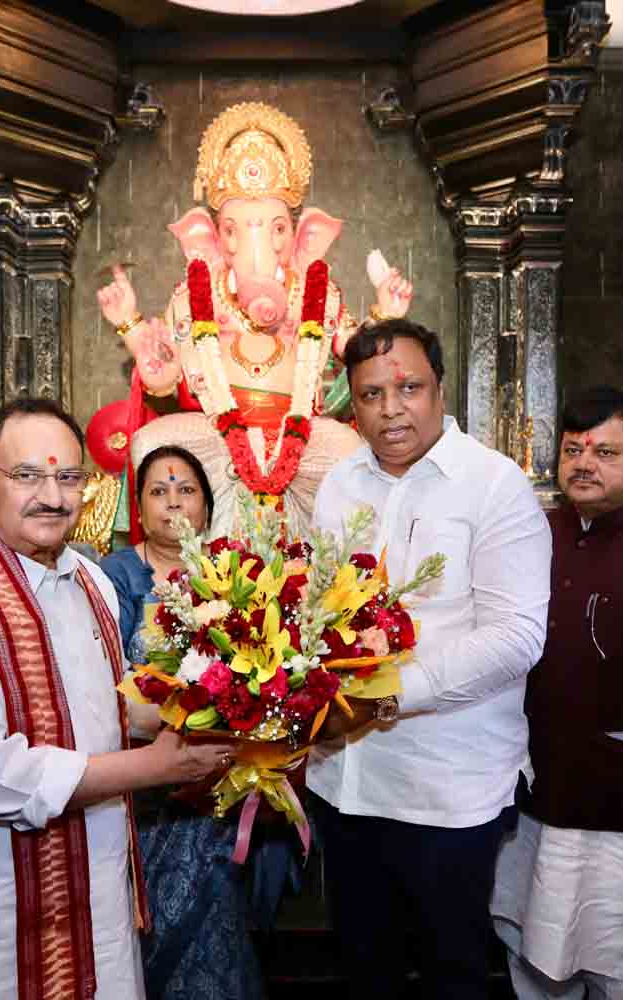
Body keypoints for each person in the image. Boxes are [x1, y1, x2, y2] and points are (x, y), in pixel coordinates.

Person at [0, 398, 235, 1000]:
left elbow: (107, 705)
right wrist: (158, 766)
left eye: (69, 478)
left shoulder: (89, 580)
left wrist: (215, 714)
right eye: (27, 476)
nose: (54, 496)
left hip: (94, 904)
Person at [307, 318, 552, 1000]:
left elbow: (515, 638)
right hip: (345, 782)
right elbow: (324, 612)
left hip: (450, 791)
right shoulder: (338, 485)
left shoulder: (494, 486)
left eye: (408, 387)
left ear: (441, 389)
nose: (391, 409)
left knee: (455, 973)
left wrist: (385, 698)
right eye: (371, 394)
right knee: (364, 968)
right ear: (349, 405)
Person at [100, 444, 271, 1000]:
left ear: (207, 503)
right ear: (139, 507)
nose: (173, 502)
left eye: (186, 489)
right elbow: (103, 679)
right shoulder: (115, 576)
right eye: (157, 490)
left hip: (222, 784)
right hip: (139, 788)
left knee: (216, 926)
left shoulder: (237, 574)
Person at [492, 386, 623, 1000]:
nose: (584, 464)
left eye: (606, 452)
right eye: (574, 449)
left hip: (613, 797)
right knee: (537, 945)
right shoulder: (531, 531)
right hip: (538, 785)